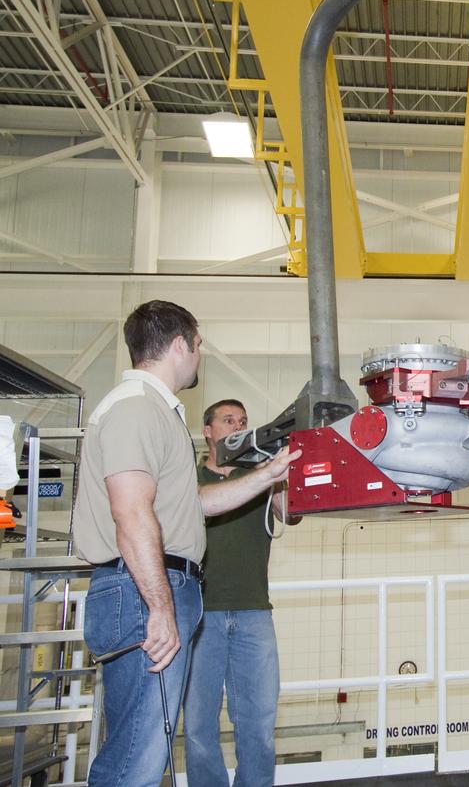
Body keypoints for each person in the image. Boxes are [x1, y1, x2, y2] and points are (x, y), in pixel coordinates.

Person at [73, 301, 297, 787]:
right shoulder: (136, 408)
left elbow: (191, 503)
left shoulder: (155, 412)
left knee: (145, 747)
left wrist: (266, 476)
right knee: (137, 754)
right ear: (180, 345)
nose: (199, 354)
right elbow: (131, 512)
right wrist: (159, 607)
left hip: (153, 587)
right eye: (198, 345)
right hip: (143, 590)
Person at [184, 399, 287, 787]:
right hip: (200, 615)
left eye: (243, 421)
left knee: (259, 723)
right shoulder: (189, 478)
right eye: (228, 420)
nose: (238, 426)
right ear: (207, 431)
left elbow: (290, 513)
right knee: (199, 727)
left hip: (254, 612)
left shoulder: (259, 477)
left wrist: (275, 472)